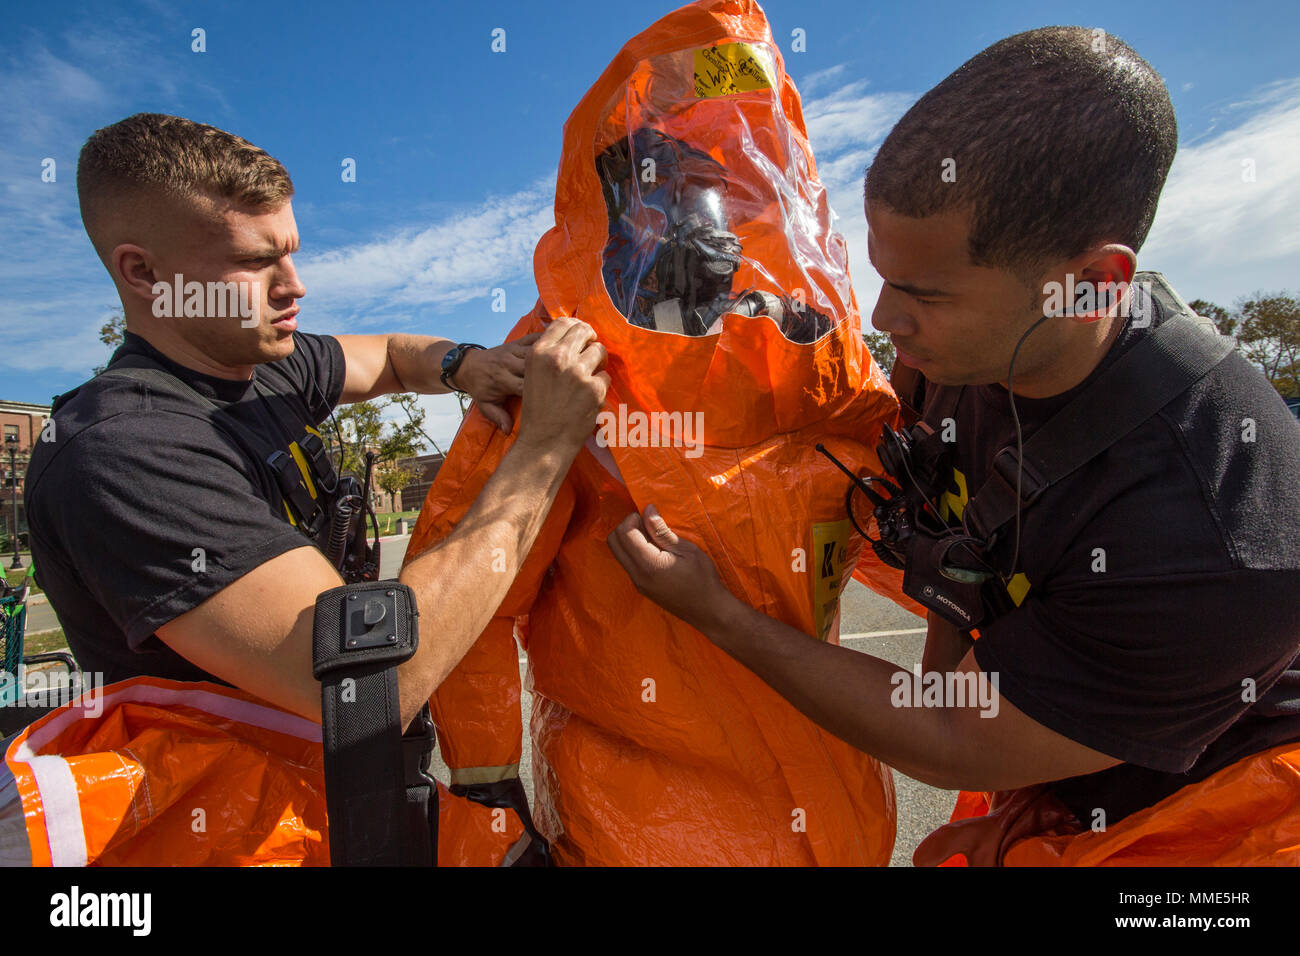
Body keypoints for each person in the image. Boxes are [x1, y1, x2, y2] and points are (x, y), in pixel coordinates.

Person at [608, 26, 1300, 865]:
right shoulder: (973, 345)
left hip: (1234, 816)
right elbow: (955, 561)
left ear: (1092, 283)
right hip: (1069, 755)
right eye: (883, 276)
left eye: (925, 294)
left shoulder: (1220, 537)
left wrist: (722, 615)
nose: (888, 322)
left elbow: (945, 730)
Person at [400, 0, 903, 866]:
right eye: (661, 192)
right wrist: (488, 798)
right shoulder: (566, 372)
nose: (694, 219)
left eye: (711, 187)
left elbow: (902, 539)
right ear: (619, 212)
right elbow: (467, 594)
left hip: (837, 808)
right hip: (639, 824)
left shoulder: (810, 362)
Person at [23, 113, 609, 732]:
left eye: (291, 253)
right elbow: (371, 684)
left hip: (334, 804)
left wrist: (468, 365)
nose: (294, 287)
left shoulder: (264, 363)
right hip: (233, 818)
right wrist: (544, 448)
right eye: (254, 262)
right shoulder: (122, 450)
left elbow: (389, 356)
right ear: (143, 273)